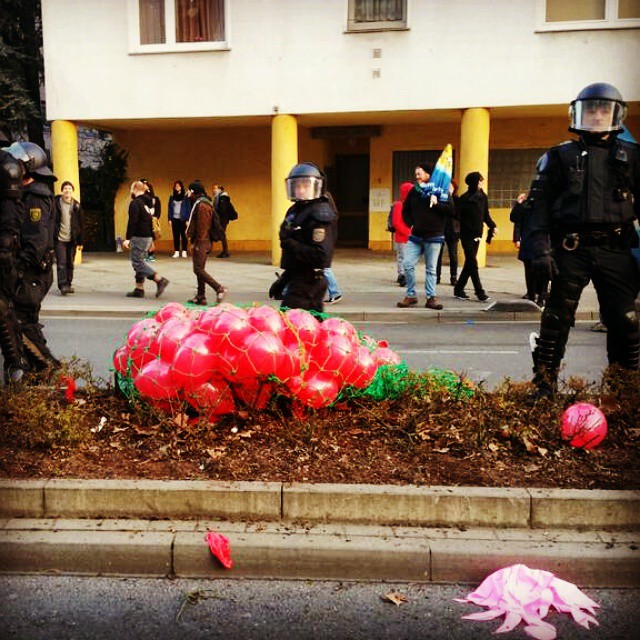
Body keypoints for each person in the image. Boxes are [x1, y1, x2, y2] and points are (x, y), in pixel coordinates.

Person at [527, 82, 640, 399]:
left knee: (625, 321)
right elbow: (538, 209)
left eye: (603, 109)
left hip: (616, 248)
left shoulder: (632, 157)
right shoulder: (559, 157)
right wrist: (539, 250)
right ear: (579, 113)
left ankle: (624, 389)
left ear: (615, 114)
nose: (596, 115)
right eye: (590, 109)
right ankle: (544, 385)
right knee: (556, 318)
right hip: (570, 249)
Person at [9, 142, 61, 371]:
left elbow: (36, 241)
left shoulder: (35, 197)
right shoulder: (25, 194)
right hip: (30, 271)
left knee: (20, 322)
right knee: (24, 322)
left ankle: (48, 367)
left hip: (32, 273)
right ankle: (36, 371)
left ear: (26, 168)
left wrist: (18, 268)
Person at [269, 162, 336, 313]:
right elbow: (296, 260)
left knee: (291, 327)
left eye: (305, 185)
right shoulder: (296, 210)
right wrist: (283, 281)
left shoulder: (320, 214)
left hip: (310, 283)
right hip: (297, 279)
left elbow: (319, 256)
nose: (300, 190)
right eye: (297, 186)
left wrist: (289, 243)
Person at [397, 163, 452, 310]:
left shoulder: (441, 190)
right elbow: (405, 210)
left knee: (431, 269)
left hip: (434, 236)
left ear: (428, 175)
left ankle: (431, 298)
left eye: (419, 174)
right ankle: (411, 295)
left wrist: (437, 203)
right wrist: (410, 224)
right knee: (407, 265)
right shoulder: (414, 191)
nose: (417, 177)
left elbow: (452, 211)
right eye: (416, 174)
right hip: (416, 236)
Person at [0, 135, 30, 382]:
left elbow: (10, 220)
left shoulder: (7, 168)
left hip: (2, 252)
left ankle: (14, 365)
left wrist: (4, 250)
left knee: (1, 306)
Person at [454, 172, 497, 302]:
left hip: (477, 235)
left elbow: (485, 215)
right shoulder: (463, 198)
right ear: (475, 182)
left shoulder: (483, 197)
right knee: (473, 263)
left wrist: (493, 226)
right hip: (466, 235)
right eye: (480, 180)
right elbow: (457, 216)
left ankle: (458, 289)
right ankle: (479, 292)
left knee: (469, 264)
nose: (482, 182)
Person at [123, 180, 169, 299]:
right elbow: (150, 221)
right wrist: (152, 240)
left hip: (139, 236)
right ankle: (139, 289)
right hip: (147, 236)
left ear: (135, 190)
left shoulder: (135, 203)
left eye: (132, 189)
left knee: (137, 262)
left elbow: (133, 222)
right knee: (140, 261)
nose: (131, 191)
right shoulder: (147, 204)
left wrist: (128, 238)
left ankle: (159, 279)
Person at [186, 181, 228, 305]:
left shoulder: (202, 205)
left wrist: (198, 242)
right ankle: (200, 296)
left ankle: (219, 288)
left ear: (193, 191)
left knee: (198, 269)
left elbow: (202, 226)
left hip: (202, 241)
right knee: (200, 268)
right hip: (202, 241)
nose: (187, 193)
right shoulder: (200, 203)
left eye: (189, 190)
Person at [510, 191, 549, 307]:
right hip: (529, 242)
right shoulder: (525, 206)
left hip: (542, 243)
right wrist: (519, 203)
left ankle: (542, 295)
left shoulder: (545, 206)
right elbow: (515, 219)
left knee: (543, 269)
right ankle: (532, 295)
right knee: (530, 270)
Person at [53, 181, 83, 295]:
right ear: (62, 191)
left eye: (69, 188)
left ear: (72, 191)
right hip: (59, 239)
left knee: (70, 263)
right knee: (61, 263)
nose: (67, 190)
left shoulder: (76, 205)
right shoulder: (56, 204)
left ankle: (69, 283)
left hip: (72, 239)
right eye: (65, 188)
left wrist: (80, 241)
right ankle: (62, 285)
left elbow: (81, 224)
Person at [436, 179, 461, 286]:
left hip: (453, 230)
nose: (448, 189)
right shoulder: (440, 199)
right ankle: (436, 277)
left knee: (453, 255)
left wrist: (450, 197)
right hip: (440, 229)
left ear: (454, 188)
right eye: (447, 187)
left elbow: (456, 213)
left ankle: (453, 277)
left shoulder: (456, 199)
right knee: (438, 255)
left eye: (451, 187)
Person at [390, 181, 413, 288]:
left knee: (409, 257)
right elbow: (396, 222)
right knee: (402, 257)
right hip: (402, 236)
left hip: (411, 237)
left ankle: (407, 275)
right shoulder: (399, 205)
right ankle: (402, 275)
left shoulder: (412, 205)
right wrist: (408, 232)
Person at [323, 191, 342, 304]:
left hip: (325, 243)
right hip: (327, 242)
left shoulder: (326, 215)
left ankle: (335, 293)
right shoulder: (331, 214)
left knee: (325, 268)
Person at [212, 184, 236, 259]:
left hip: (222, 220)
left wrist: (220, 220)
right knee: (221, 235)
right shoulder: (218, 197)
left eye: (215, 188)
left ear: (220, 189)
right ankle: (225, 251)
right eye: (213, 188)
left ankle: (225, 252)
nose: (213, 190)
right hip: (220, 219)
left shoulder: (223, 197)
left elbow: (223, 210)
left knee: (222, 235)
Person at [167, 180, 189, 258]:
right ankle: (176, 251)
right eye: (176, 186)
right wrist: (169, 219)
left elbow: (188, 208)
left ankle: (184, 251)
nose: (177, 187)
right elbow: (169, 208)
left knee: (184, 236)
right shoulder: (172, 197)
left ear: (181, 187)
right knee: (176, 235)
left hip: (183, 219)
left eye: (178, 186)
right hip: (174, 219)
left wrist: (187, 219)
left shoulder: (185, 197)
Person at [140, 179, 161, 262]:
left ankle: (151, 254)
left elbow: (157, 209)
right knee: (145, 238)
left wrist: (156, 217)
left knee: (150, 238)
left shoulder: (154, 198)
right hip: (144, 220)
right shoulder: (140, 198)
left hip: (151, 219)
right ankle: (147, 254)